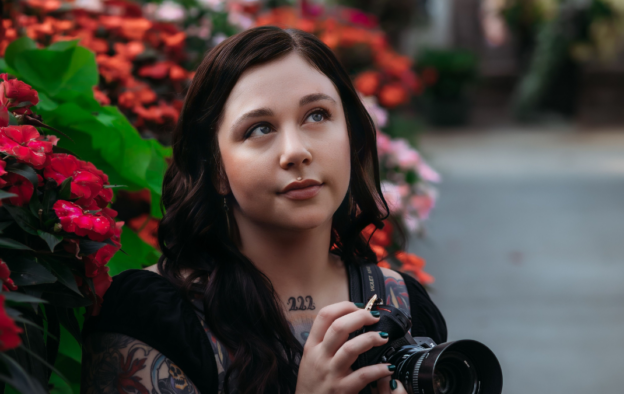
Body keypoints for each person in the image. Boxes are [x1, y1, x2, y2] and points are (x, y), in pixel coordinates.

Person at [80, 26, 446, 394]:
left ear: (351, 135)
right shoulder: (152, 317)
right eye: (259, 129)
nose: (296, 151)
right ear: (217, 169)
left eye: (317, 115)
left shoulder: (406, 304)